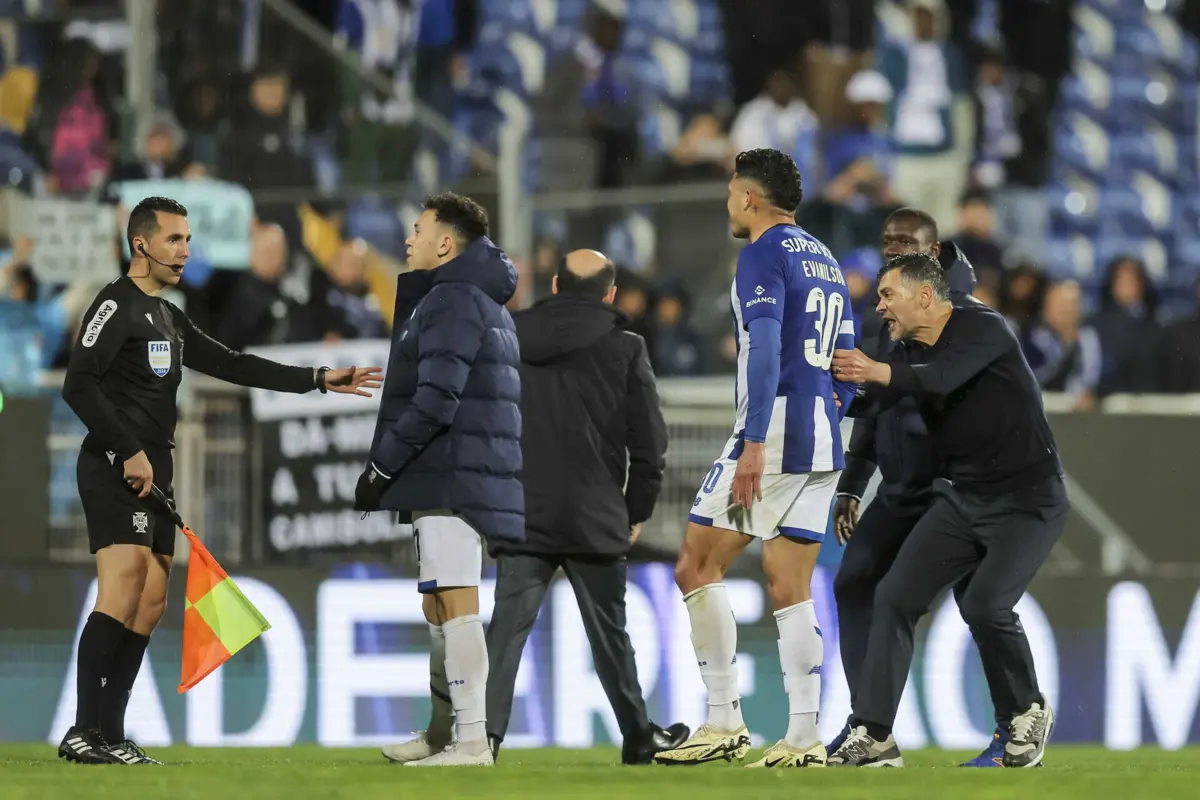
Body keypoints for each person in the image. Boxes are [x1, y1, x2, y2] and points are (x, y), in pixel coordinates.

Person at [58, 197, 382, 765]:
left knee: (153, 601)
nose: (185, 250)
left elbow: (234, 364)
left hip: (157, 468)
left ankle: (110, 733)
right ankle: (81, 730)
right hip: (116, 465)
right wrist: (129, 450)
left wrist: (318, 379)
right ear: (142, 244)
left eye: (188, 239)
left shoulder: (170, 315)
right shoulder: (115, 304)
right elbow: (78, 385)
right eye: (175, 239)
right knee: (123, 584)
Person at [653, 148, 857, 769]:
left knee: (694, 564)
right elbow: (847, 361)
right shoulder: (826, 259)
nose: (727, 203)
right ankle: (803, 737)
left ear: (750, 198)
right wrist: (829, 414)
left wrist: (756, 440)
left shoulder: (762, 255)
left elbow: (764, 346)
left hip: (775, 436)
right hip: (824, 435)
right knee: (791, 585)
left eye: (731, 192)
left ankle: (722, 722)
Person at [829, 252, 1065, 769]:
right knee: (893, 595)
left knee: (985, 605)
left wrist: (875, 371)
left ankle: (1028, 711)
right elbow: (884, 403)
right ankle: (874, 735)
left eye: (888, 294)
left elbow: (938, 379)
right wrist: (835, 392)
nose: (880, 305)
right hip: (962, 497)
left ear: (926, 295)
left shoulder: (983, 328)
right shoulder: (906, 351)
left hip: (1029, 500)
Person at [483, 248, 688, 764]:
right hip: (595, 512)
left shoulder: (507, 335)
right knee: (610, 638)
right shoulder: (625, 347)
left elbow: (483, 422)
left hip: (521, 508)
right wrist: (634, 510)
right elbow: (649, 444)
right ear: (611, 294)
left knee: (505, 633)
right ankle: (638, 736)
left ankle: (481, 738)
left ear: (554, 285)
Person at [354, 192, 522, 768]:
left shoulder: (452, 297)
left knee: (456, 600)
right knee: (438, 605)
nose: (409, 239)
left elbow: (435, 399)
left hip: (451, 470)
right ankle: (441, 732)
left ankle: (472, 741)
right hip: (453, 469)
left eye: (418, 229)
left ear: (445, 243)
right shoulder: (470, 296)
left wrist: (381, 466)